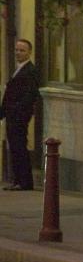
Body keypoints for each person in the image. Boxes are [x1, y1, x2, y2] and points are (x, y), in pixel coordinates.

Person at [1, 39, 41, 191]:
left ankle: (24, 182)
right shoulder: (18, 69)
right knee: (15, 147)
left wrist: (17, 111)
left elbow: (29, 95)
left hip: (19, 116)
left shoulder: (30, 70)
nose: (18, 53)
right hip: (12, 115)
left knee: (19, 147)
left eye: (22, 50)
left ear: (29, 52)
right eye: (17, 50)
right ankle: (18, 180)